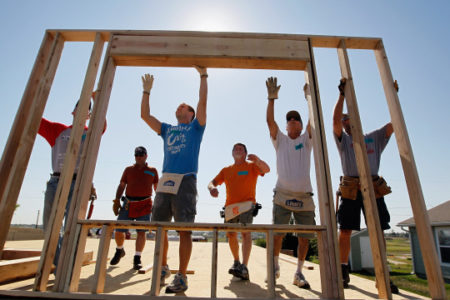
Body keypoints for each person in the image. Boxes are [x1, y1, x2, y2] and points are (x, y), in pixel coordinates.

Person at [140, 66, 208, 293]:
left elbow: (202, 103)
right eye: (178, 106)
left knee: (184, 229)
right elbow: (145, 116)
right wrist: (146, 92)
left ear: (191, 114)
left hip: (186, 180)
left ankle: (181, 276)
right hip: (166, 180)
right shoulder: (168, 129)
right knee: (159, 227)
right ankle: (162, 267)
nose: (179, 106)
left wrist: (203, 75)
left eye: (184, 106)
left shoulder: (195, 129)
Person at [333, 78, 398, 293]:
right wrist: (341, 96)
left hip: (373, 189)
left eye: (348, 118)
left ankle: (383, 274)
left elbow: (393, 125)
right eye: (343, 120)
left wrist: (393, 97)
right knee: (345, 231)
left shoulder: (374, 138)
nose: (344, 122)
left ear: (357, 119)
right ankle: (343, 270)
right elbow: (333, 121)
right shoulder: (344, 142)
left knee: (378, 231)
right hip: (351, 189)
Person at [38, 92, 104, 266]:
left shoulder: (89, 133)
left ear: (89, 115)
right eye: (79, 106)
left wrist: (96, 100)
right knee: (49, 227)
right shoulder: (57, 130)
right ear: (73, 111)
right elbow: (35, 119)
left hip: (77, 183)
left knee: (71, 227)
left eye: (87, 108)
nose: (82, 109)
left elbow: (101, 126)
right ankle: (60, 265)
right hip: (56, 182)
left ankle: (66, 268)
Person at [265, 77, 315, 289]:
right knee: (277, 235)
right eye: (290, 119)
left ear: (302, 125)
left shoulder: (306, 140)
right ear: (286, 126)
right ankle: (275, 267)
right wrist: (271, 98)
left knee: (304, 238)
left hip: (304, 197)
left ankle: (299, 273)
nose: (293, 121)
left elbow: (315, 119)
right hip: (283, 194)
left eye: (297, 119)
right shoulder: (281, 140)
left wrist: (309, 97)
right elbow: (269, 122)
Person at [208, 143, 270, 281]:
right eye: (235, 148)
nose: (238, 150)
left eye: (241, 148)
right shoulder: (226, 170)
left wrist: (258, 161)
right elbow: (212, 182)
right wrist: (212, 188)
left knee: (245, 233)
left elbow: (267, 169)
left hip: (247, 205)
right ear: (232, 153)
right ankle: (236, 262)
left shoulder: (252, 166)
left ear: (245, 153)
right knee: (230, 235)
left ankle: (244, 267)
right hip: (230, 208)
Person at [110, 146, 158, 270]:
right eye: (136, 155)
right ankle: (119, 250)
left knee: (141, 232)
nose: (139, 157)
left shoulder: (152, 170)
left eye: (141, 155)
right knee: (119, 230)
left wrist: (159, 203)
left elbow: (156, 188)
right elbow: (122, 185)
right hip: (128, 203)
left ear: (146, 156)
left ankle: (137, 258)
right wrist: (116, 200)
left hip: (145, 204)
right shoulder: (128, 170)